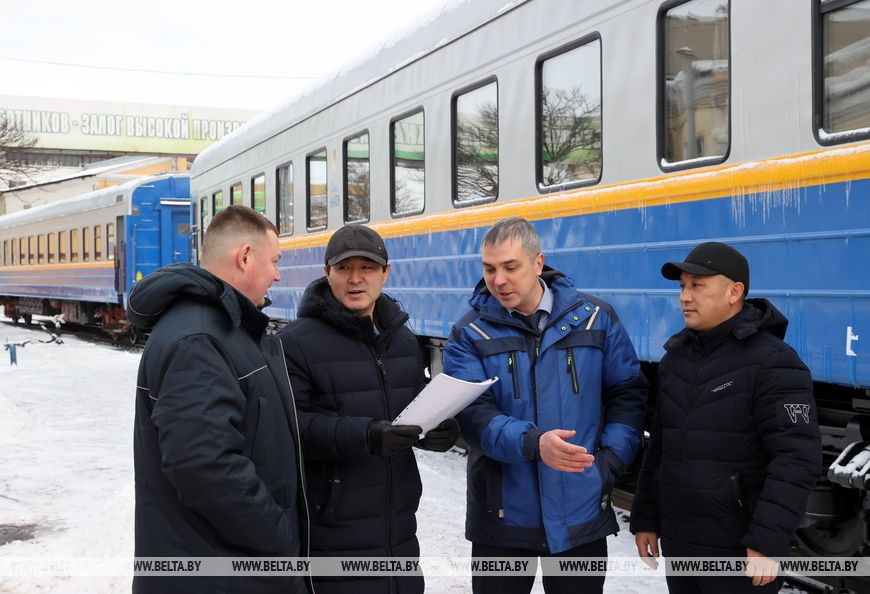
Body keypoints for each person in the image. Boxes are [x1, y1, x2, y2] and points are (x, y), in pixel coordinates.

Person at [443, 216, 649, 594]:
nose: (498, 280)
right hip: (502, 513)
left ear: (538, 263)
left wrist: (610, 462)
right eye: (489, 269)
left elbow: (628, 394)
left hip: (580, 506)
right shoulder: (470, 334)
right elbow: (472, 415)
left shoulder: (594, 320)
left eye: (510, 267)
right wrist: (533, 443)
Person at [128, 205, 309, 594]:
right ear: (245, 257)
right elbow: (204, 466)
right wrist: (280, 537)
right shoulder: (200, 339)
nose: (278, 273)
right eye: (275, 261)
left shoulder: (222, 329)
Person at [630, 241, 822, 594]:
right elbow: (659, 449)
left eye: (697, 286)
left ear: (735, 292)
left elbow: (796, 458)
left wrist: (767, 539)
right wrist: (646, 518)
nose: (685, 297)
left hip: (739, 549)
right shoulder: (675, 360)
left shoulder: (774, 362)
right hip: (682, 545)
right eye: (683, 286)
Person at [278, 223, 459, 594]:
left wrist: (439, 431)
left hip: (398, 528)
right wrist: (366, 435)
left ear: (385, 273)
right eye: (344, 268)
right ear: (327, 273)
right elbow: (290, 427)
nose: (356, 279)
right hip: (332, 529)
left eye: (368, 268)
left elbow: (412, 408)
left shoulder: (403, 341)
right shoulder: (293, 344)